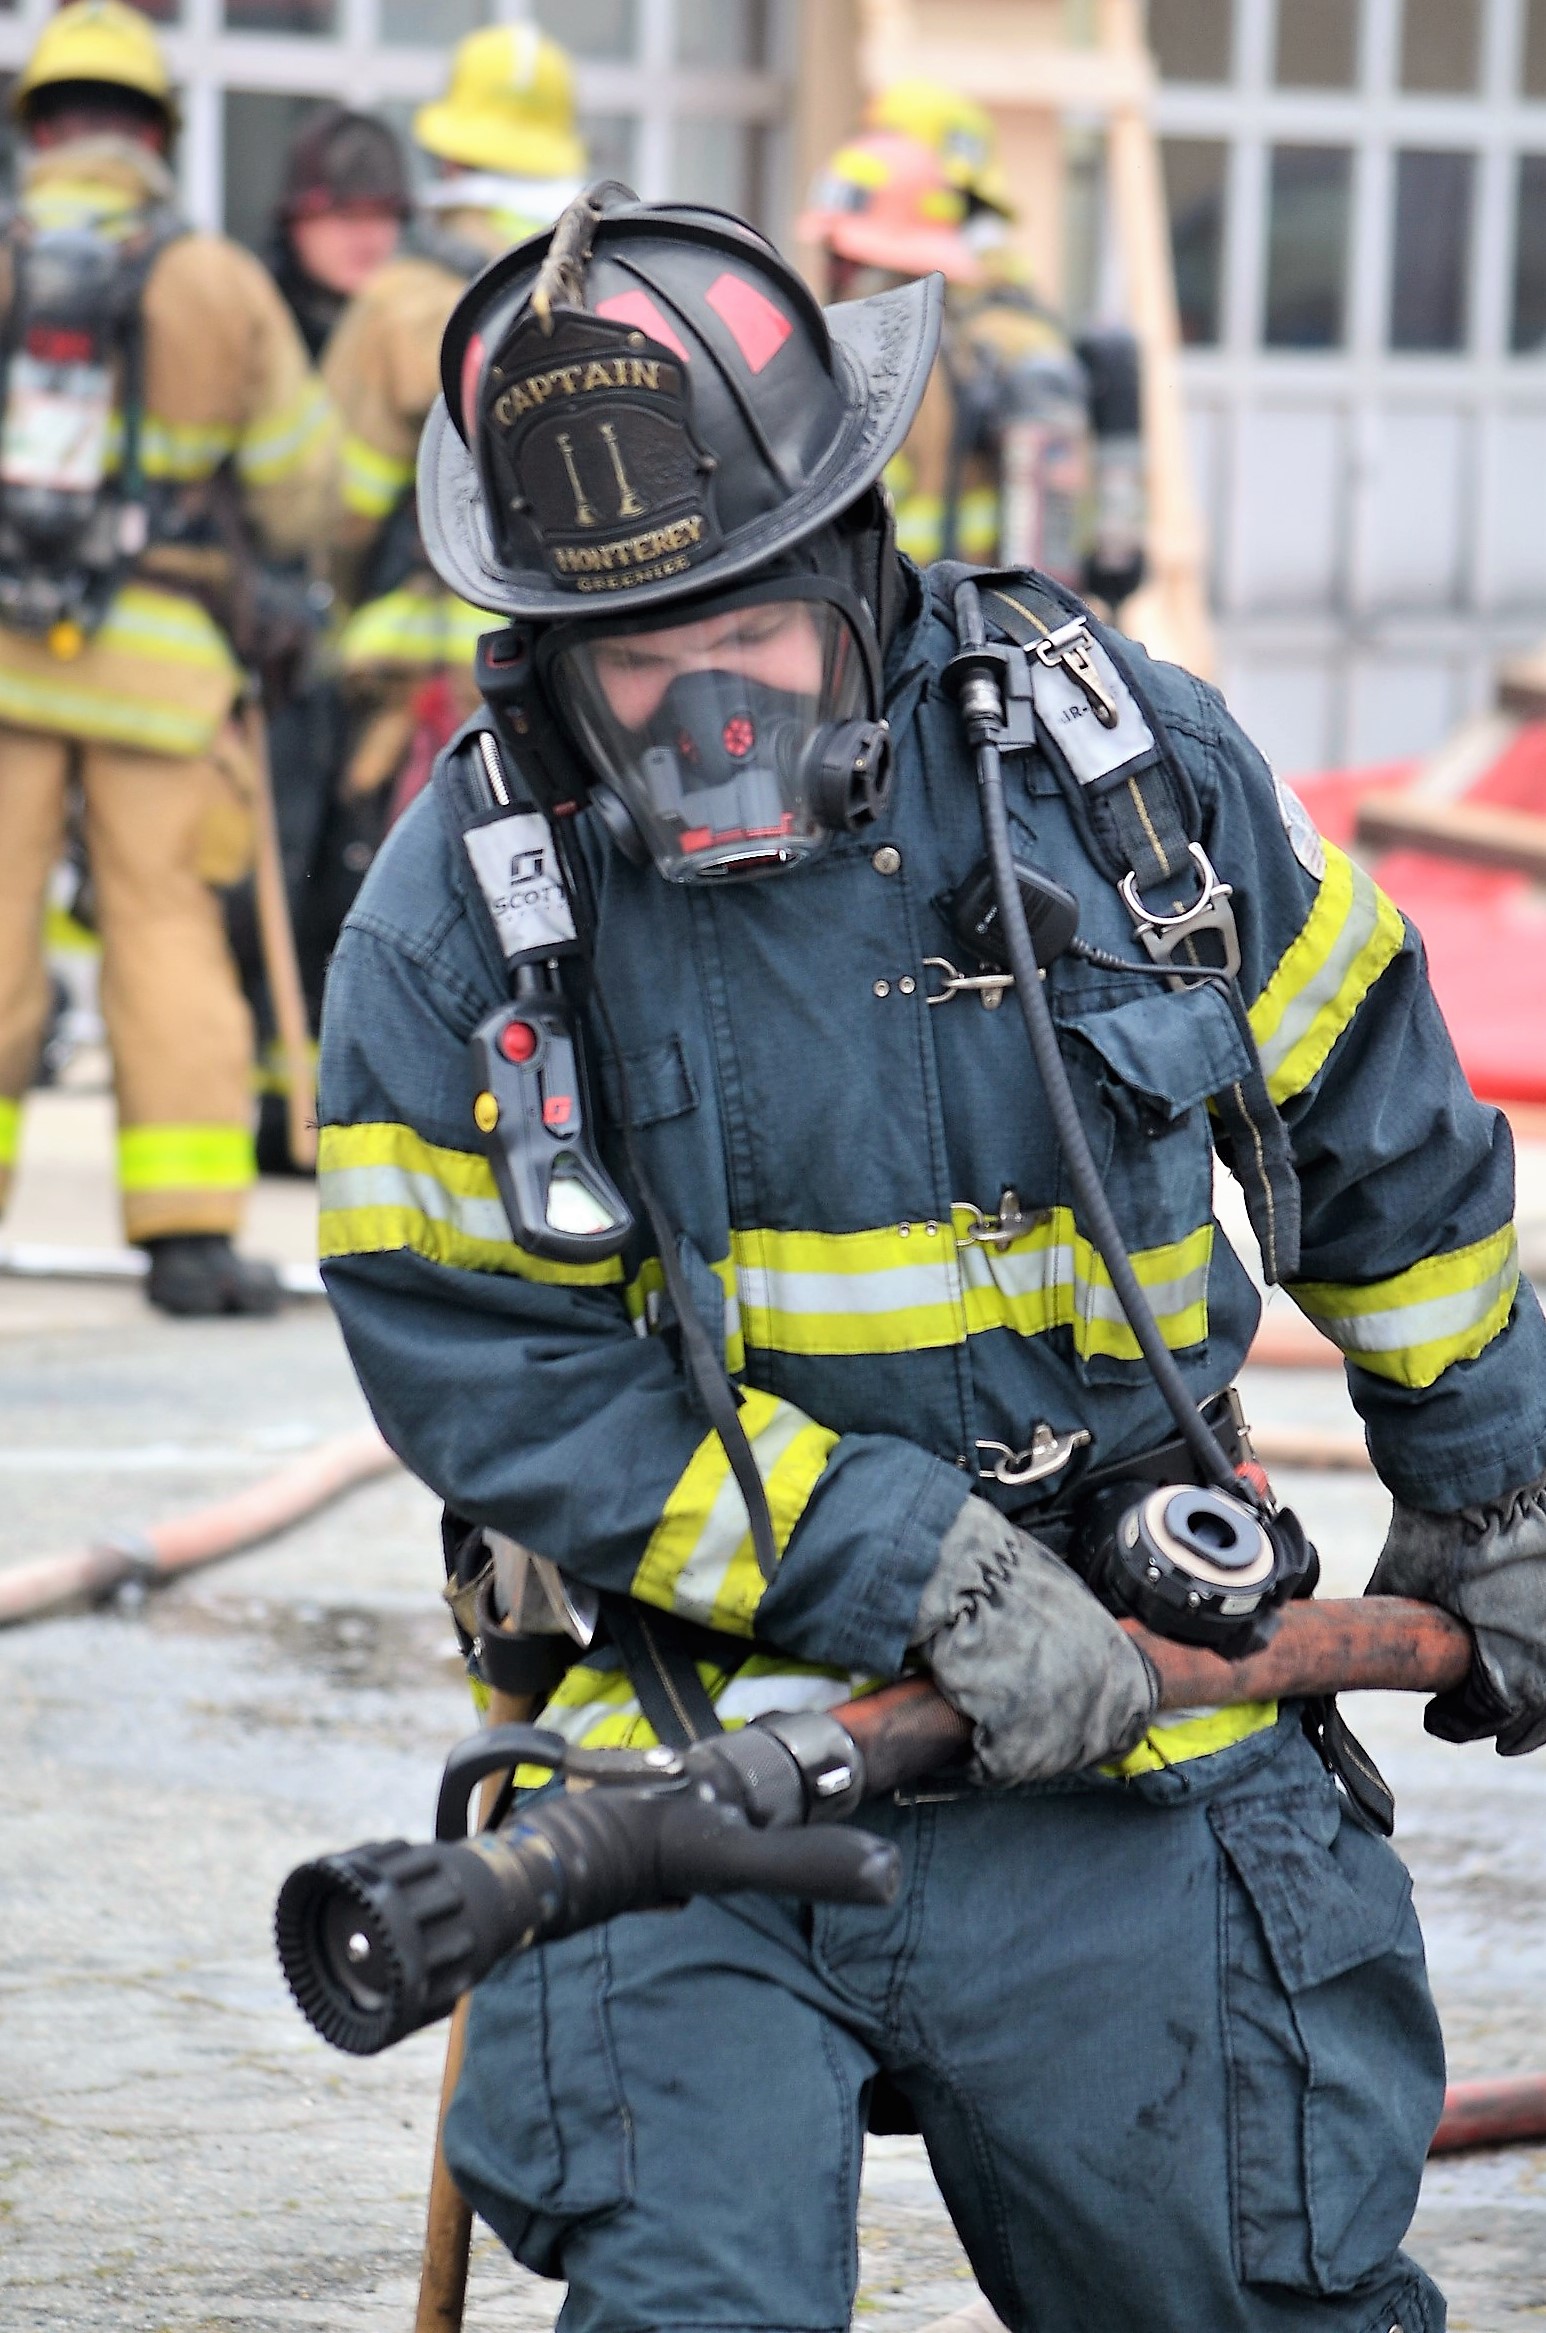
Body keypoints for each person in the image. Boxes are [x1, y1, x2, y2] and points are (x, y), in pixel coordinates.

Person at [317, 185, 1546, 2330]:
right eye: (637, 659)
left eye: (752, 636)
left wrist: (1490, 1478)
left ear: (853, 566)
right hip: (686, 1761)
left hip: (1141, 1734)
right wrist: (903, 1561)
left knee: (1250, 2297)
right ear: (539, 645)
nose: (703, 707)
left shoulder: (1114, 770)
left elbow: (1373, 1112)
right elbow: (485, 1361)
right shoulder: (463, 916)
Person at [0, 0, 334, 1314]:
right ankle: (190, 1237)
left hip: (6, 663)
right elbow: (303, 484)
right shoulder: (214, 281)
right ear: (155, 131)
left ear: (41, 127)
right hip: (165, 674)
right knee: (165, 930)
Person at [316, 26, 588, 914]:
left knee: (422, 907)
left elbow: (339, 505)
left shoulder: (405, 300)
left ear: (447, 150)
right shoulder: (609, 272)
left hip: (421, 672)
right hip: (585, 658)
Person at [801, 119, 1145, 609]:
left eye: (845, 256)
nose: (833, 275)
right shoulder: (897, 346)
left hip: (957, 629)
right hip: (909, 615)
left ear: (886, 256)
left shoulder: (973, 351)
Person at [270, 105, 411, 363]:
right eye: (346, 215)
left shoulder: (417, 322)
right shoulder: (256, 323)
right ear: (296, 223)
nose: (367, 236)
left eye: (381, 215)